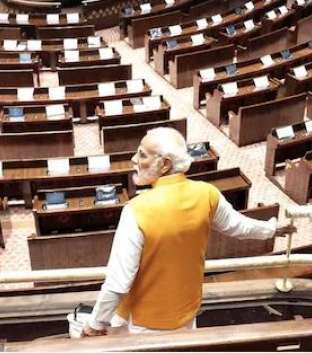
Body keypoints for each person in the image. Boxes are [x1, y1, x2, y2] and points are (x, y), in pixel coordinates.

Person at [82, 127, 297, 337]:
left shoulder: (136, 210)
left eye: (142, 154)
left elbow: (118, 283)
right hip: (188, 312)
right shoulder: (206, 193)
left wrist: (95, 323)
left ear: (165, 164)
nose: (134, 160)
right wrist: (271, 229)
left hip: (146, 321)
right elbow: (238, 226)